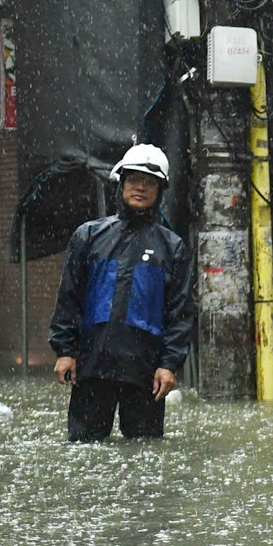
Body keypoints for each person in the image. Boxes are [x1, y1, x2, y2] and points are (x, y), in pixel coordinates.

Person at [50, 144, 195, 441]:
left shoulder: (172, 248)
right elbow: (69, 298)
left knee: (144, 459)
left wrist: (168, 365)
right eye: (133, 180)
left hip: (144, 375)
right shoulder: (88, 237)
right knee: (84, 453)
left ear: (160, 190)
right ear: (121, 183)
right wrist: (65, 351)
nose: (140, 188)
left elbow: (179, 313)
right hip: (92, 368)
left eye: (150, 182)